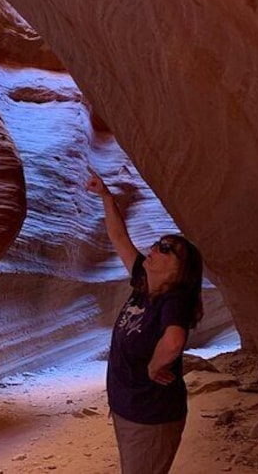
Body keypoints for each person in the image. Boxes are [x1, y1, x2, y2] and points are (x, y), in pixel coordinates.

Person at [87, 167, 204, 474]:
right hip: (131, 409)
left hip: (151, 416)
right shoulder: (143, 283)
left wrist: (155, 365)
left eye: (166, 249)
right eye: (157, 244)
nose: (154, 249)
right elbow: (118, 237)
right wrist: (106, 196)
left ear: (181, 271)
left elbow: (175, 338)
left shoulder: (172, 300)